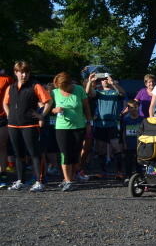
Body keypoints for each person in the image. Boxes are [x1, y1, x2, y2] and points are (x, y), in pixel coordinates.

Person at [3, 61, 52, 191]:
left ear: (29, 73)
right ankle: (20, 180)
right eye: (21, 72)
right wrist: (9, 115)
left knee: (34, 153)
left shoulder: (35, 86)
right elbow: (5, 103)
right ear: (16, 73)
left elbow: (48, 101)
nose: (23, 75)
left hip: (30, 125)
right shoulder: (11, 87)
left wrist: (41, 115)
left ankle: (39, 181)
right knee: (18, 154)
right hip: (13, 125)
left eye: (26, 72)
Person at [51, 72, 92, 192]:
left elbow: (86, 107)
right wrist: (55, 110)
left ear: (70, 83)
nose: (63, 89)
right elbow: (48, 108)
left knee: (75, 154)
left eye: (65, 87)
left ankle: (70, 178)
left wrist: (89, 123)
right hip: (62, 127)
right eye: (61, 87)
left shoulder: (79, 89)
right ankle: (67, 180)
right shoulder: (54, 92)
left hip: (79, 127)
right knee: (65, 153)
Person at [87, 71, 126, 178]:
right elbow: (89, 93)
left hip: (112, 124)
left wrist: (113, 83)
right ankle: (102, 171)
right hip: (100, 124)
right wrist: (90, 81)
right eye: (102, 79)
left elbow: (123, 93)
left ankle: (119, 172)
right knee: (101, 149)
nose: (104, 81)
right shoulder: (98, 92)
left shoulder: (115, 92)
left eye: (106, 79)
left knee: (116, 147)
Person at [121, 99, 143, 183]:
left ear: (138, 108)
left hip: (139, 145)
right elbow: (123, 132)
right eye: (130, 108)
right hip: (129, 144)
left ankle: (139, 177)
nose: (133, 109)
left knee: (139, 162)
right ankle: (128, 176)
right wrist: (124, 143)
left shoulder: (141, 120)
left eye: (134, 107)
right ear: (128, 109)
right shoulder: (126, 120)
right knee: (128, 162)